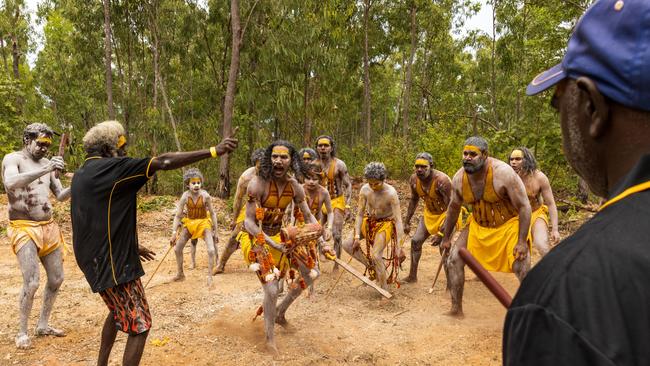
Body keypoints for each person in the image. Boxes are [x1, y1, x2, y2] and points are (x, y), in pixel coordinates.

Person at [504, 1, 650, 364]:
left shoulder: (565, 296)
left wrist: (544, 303)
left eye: (558, 104)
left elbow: (544, 204)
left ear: (591, 108)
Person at [70, 120, 237, 366]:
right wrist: (215, 150)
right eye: (121, 145)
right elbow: (164, 161)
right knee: (141, 325)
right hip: (111, 261)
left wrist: (130, 245)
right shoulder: (111, 168)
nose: (125, 151)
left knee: (117, 310)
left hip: (94, 256)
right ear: (108, 148)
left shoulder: (83, 172)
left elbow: (91, 215)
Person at [241, 140, 333, 354]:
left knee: (311, 274)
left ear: (292, 161)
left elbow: (309, 215)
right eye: (274, 157)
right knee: (272, 289)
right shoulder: (257, 183)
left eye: (283, 157)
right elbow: (248, 222)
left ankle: (281, 313)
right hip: (258, 240)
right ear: (268, 159)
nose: (278, 161)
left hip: (282, 238)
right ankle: (269, 338)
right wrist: (272, 243)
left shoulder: (294, 186)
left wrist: (322, 241)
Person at [440, 136, 531, 317]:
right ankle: (456, 309)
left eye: (472, 154)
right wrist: (446, 238)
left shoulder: (503, 174)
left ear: (485, 155)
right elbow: (453, 208)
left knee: (521, 265)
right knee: (454, 259)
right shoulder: (459, 179)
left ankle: (530, 312)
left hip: (508, 226)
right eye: (465, 154)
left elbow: (524, 206)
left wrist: (521, 241)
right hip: (478, 226)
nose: (467, 157)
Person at [1, 123, 70, 349]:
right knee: (31, 283)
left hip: (48, 227)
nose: (44, 149)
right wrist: (45, 169)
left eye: (48, 145)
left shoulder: (47, 165)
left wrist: (82, 181)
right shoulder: (13, 159)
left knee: (57, 279)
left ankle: (42, 324)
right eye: (40, 143)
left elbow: (60, 195)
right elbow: (10, 183)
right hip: (23, 227)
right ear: (27, 140)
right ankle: (22, 332)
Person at [342, 162, 406, 291]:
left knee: (377, 255)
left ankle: (384, 289)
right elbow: (359, 214)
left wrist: (400, 247)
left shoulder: (391, 193)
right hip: (368, 221)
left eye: (376, 183)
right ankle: (372, 268)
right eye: (370, 183)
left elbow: (398, 220)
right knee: (347, 244)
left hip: (385, 224)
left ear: (384, 179)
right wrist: (356, 236)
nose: (373, 187)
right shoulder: (365, 189)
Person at [402, 152, 458, 283]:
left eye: (423, 167)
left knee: (444, 246)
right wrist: (407, 221)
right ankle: (412, 276)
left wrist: (441, 233)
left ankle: (452, 283)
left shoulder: (442, 181)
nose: (419, 170)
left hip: (447, 216)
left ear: (431, 166)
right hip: (429, 215)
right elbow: (414, 200)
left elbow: (452, 208)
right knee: (415, 241)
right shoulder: (414, 180)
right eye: (417, 166)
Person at [214, 148, 264, 274]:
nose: (263, 170)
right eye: (260, 167)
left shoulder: (274, 174)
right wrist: (235, 219)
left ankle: (270, 263)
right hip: (250, 207)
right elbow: (238, 199)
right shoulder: (246, 178)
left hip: (269, 208)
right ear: (255, 164)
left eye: (265, 166)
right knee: (235, 236)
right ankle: (221, 264)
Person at [170, 168, 219, 285]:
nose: (196, 185)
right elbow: (178, 216)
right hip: (190, 223)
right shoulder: (185, 197)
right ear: (188, 184)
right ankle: (180, 274)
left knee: (211, 250)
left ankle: (210, 277)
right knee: (177, 249)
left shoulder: (206, 196)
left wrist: (216, 231)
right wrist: (173, 233)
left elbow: (212, 213)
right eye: (193, 183)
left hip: (204, 223)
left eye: (198, 182)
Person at [508, 147, 560, 256]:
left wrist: (555, 229)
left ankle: (552, 269)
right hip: (516, 218)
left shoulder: (539, 177)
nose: (513, 162)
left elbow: (550, 203)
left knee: (542, 245)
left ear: (527, 160)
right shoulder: (507, 177)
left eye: (518, 159)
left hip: (535, 214)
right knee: (517, 253)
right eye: (511, 159)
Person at [314, 135, 352, 271]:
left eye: (326, 145)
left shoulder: (339, 165)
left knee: (336, 233)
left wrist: (347, 205)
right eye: (320, 145)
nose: (323, 148)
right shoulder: (314, 165)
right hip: (320, 201)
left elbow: (348, 185)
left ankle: (337, 263)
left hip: (337, 201)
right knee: (315, 232)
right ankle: (318, 259)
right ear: (317, 147)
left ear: (331, 148)